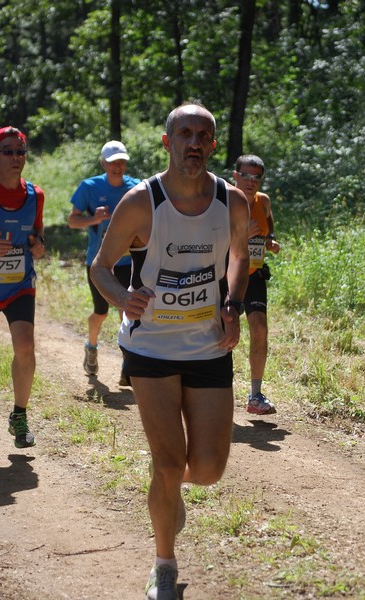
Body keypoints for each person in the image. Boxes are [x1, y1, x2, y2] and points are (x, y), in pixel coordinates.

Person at [90, 102, 250, 600]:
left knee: (207, 470)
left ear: (214, 145)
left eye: (204, 135)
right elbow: (100, 265)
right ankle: (164, 564)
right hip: (151, 347)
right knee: (166, 461)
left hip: (208, 346)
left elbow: (241, 256)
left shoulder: (233, 203)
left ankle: (168, 492)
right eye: (185, 133)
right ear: (167, 142)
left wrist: (232, 303)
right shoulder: (141, 201)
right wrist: (121, 297)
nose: (194, 142)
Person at [0, 126, 45, 448]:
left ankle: (19, 416)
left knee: (25, 346)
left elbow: (37, 234)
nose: (16, 157)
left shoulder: (35, 195)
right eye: (8, 151)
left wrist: (38, 245)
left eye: (20, 151)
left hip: (18, 285)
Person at [67, 141, 140, 383]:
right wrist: (93, 219)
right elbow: (72, 221)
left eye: (121, 161)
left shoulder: (136, 188)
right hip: (99, 262)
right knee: (101, 312)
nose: (118, 166)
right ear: (103, 163)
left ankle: (127, 365)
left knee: (127, 311)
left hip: (129, 260)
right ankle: (91, 346)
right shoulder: (89, 187)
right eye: (112, 162)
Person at [233, 154, 280, 415]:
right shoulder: (225, 201)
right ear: (235, 175)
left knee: (259, 328)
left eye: (257, 177)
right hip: (227, 274)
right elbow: (211, 240)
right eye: (246, 175)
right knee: (223, 332)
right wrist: (241, 235)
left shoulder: (263, 201)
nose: (251, 181)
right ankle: (212, 389)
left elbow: (269, 222)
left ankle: (255, 395)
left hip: (254, 274)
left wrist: (270, 239)